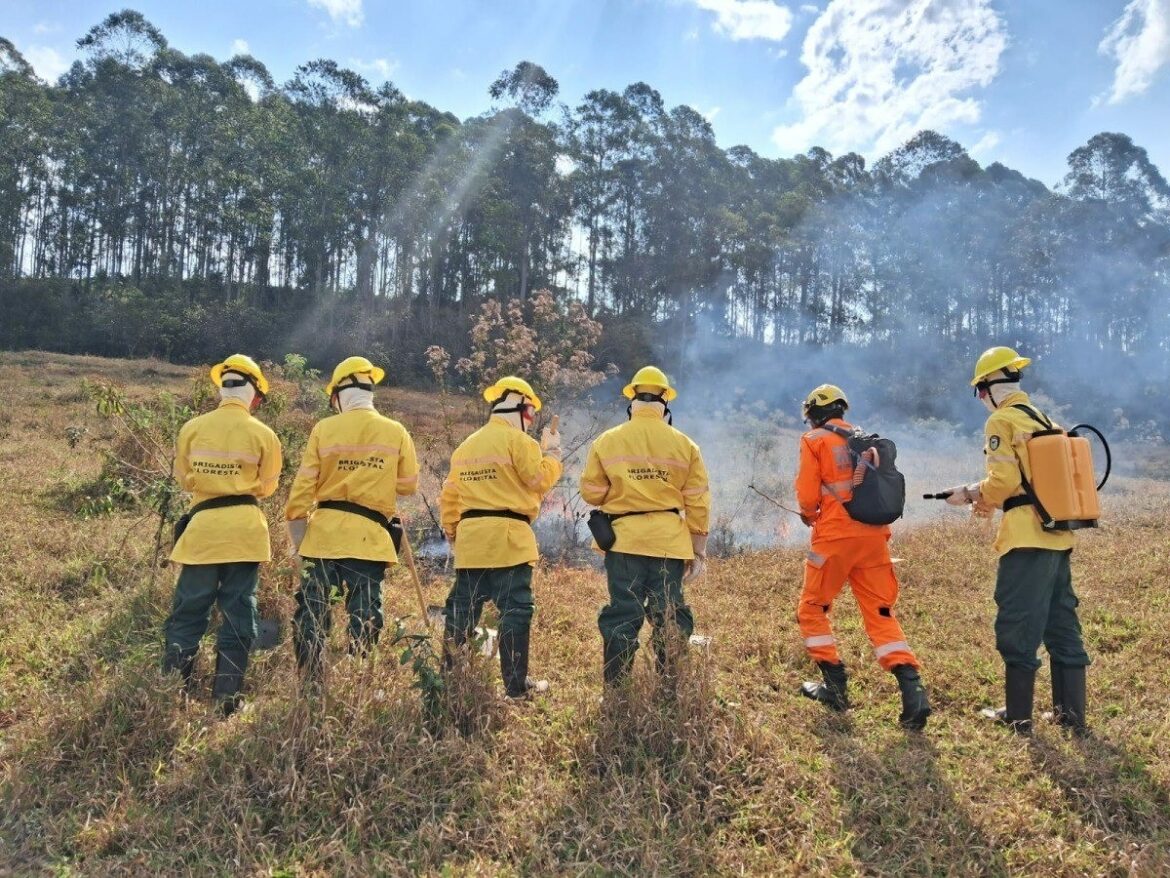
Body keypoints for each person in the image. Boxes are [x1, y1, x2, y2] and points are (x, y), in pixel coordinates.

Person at [943, 346, 1089, 735]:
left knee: (1018, 622)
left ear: (990, 386)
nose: (979, 399)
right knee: (1061, 623)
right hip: (1058, 536)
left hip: (1026, 539)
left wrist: (971, 494)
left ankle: (1018, 717)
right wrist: (984, 495)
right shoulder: (1043, 418)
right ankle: (1070, 716)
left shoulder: (1002, 421)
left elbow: (1005, 482)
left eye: (978, 390)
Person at [794, 384, 931, 730]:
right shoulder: (863, 439)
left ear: (813, 413)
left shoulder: (813, 441)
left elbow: (808, 495)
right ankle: (912, 691)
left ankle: (835, 687)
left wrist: (808, 512)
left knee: (813, 608)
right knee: (881, 612)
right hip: (873, 539)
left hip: (834, 540)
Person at [285, 356, 419, 685]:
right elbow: (408, 485)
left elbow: (301, 492)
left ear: (340, 395)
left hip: (323, 538)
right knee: (365, 614)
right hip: (369, 540)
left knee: (314, 611)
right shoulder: (396, 431)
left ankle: (310, 681)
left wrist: (301, 542)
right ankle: (357, 683)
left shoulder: (324, 429)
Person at [163, 354, 282, 716]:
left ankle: (173, 694)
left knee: (189, 610)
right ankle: (226, 701)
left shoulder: (192, 428)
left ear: (221, 388)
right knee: (238, 610)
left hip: (203, 532)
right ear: (255, 396)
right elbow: (267, 487)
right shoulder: (264, 434)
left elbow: (185, 479)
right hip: (245, 532)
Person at [579, 366, 710, 685]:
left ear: (632, 400)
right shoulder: (686, 445)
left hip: (623, 543)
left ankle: (616, 687)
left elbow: (591, 492)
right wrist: (699, 550)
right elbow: (697, 501)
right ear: (665, 402)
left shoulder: (607, 441)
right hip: (669, 544)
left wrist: (623, 490)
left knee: (622, 614)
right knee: (670, 615)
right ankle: (671, 685)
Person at [439, 375, 561, 701]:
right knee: (516, 611)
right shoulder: (519, 442)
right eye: (531, 413)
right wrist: (553, 455)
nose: (530, 421)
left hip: (471, 541)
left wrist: (454, 534)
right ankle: (515, 687)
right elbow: (537, 480)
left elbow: (450, 497)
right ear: (521, 408)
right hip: (509, 541)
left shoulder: (466, 447)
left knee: (461, 611)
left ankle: (449, 682)